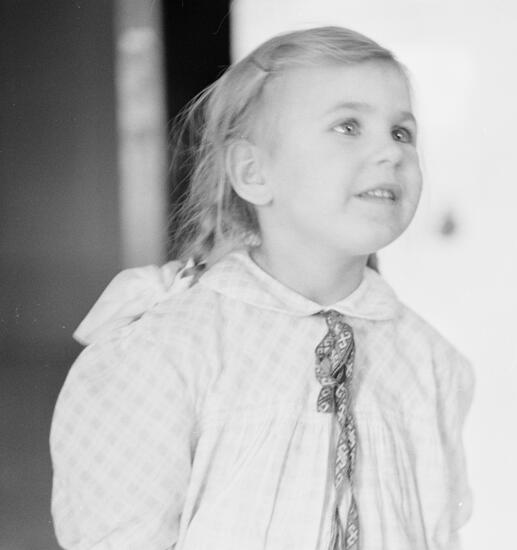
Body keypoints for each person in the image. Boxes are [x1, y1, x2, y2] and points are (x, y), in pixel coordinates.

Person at [49, 26, 474, 550]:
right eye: (348, 126)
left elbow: (437, 529)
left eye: (401, 132)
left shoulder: (429, 362)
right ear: (253, 172)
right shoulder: (170, 349)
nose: (390, 151)